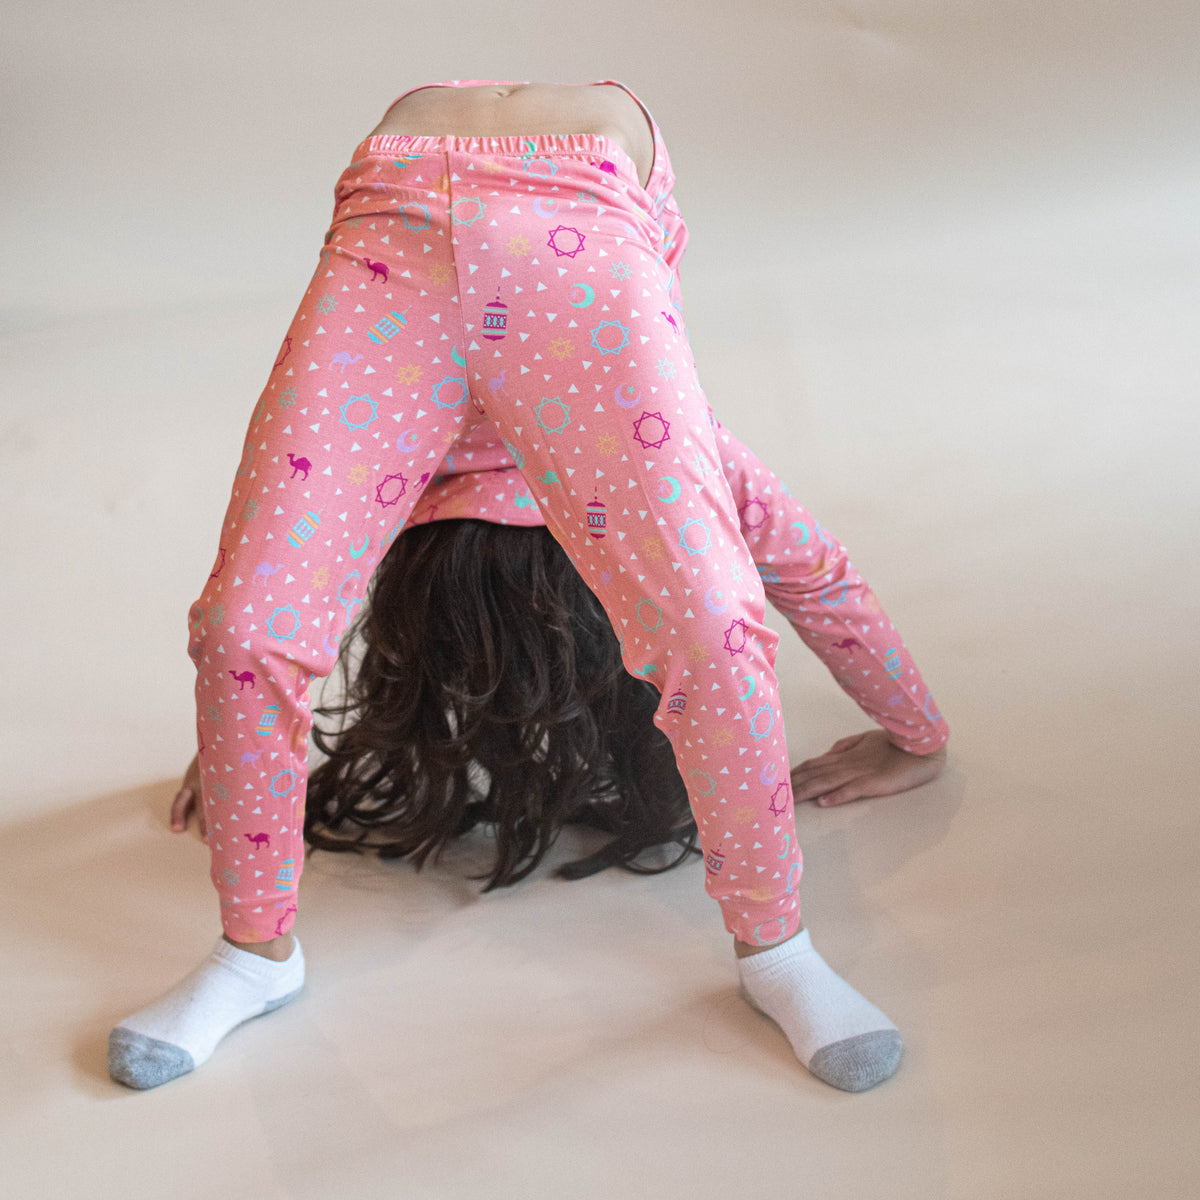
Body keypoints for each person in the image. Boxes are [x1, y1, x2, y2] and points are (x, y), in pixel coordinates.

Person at [108, 79, 948, 1094]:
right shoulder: (440, 473)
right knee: (244, 633)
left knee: (711, 625)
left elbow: (788, 585)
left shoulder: (432, 487)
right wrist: (914, 734)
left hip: (523, 188)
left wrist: (238, 744)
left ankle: (779, 953)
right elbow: (812, 570)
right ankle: (254, 957)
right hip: (436, 203)